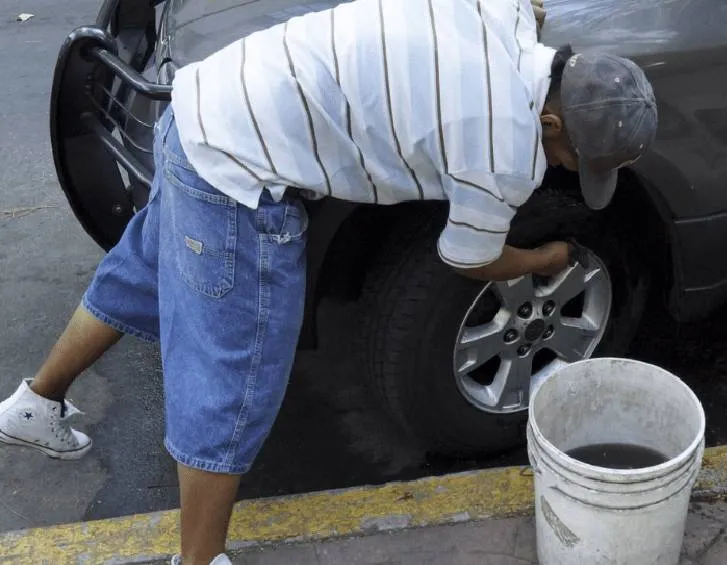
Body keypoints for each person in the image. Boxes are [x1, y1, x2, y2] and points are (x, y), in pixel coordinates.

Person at [0, 0, 657, 562]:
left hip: (202, 107)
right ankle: (196, 558)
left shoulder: (501, 15)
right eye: (576, 156)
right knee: (237, 373)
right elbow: (469, 256)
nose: (569, 168)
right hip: (241, 176)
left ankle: (36, 403)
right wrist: (540, 262)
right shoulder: (505, 151)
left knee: (138, 279)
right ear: (549, 123)